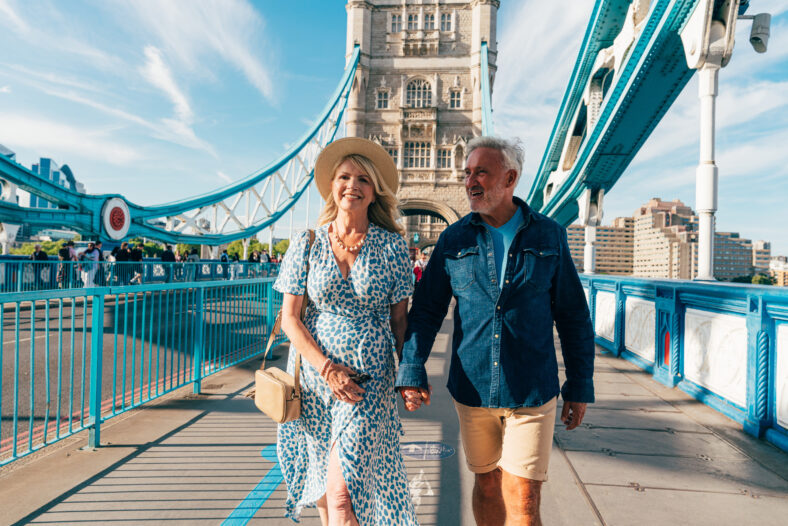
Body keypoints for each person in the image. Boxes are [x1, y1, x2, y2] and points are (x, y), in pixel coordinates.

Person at [396, 136, 595, 526]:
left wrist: (580, 383)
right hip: (473, 384)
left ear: (510, 178)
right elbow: (427, 312)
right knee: (487, 483)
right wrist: (411, 368)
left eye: (481, 172)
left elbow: (572, 314)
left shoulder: (549, 235)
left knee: (523, 496)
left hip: (531, 387)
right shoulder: (453, 240)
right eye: (467, 172)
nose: (470, 181)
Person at [273, 137, 418, 525]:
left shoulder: (392, 248)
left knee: (342, 494)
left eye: (363, 180)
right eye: (344, 176)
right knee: (322, 485)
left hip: (364, 384)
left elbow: (400, 322)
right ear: (332, 187)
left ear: (374, 193)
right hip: (316, 382)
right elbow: (290, 318)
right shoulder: (306, 243)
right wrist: (326, 369)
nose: (352, 185)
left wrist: (411, 375)